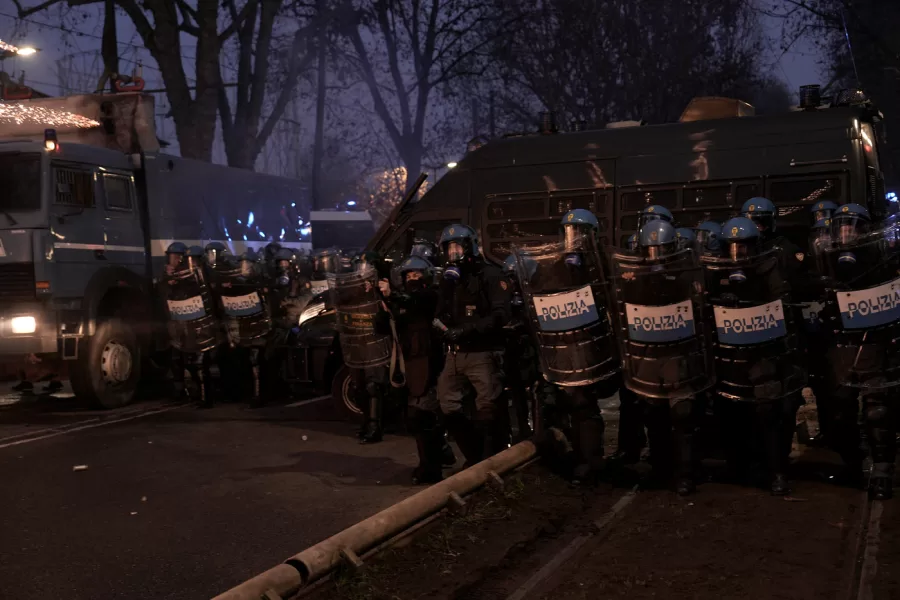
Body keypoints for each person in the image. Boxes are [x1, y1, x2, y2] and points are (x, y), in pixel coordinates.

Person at [705, 216, 806, 495]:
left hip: (763, 353)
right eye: (733, 247)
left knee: (768, 412)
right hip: (728, 356)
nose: (739, 254)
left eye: (745, 247)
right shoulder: (714, 271)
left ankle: (776, 471)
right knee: (730, 412)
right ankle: (738, 466)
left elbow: (782, 302)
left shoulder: (768, 268)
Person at [611, 220, 714, 495]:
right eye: (651, 250)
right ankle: (660, 468)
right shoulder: (632, 278)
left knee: (683, 414)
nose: (656, 256)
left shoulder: (686, 274)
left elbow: (699, 307)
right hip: (647, 356)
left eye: (661, 249)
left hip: (677, 355)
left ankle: (685, 474)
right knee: (653, 414)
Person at [817, 203, 900, 499]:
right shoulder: (826, 259)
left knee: (878, 408)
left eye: (852, 226)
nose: (846, 232)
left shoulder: (881, 257)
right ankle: (853, 465)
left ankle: (882, 471)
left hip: (874, 340)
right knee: (840, 411)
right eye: (841, 226)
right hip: (841, 344)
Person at [435, 224, 511, 465]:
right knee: (447, 405)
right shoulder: (450, 280)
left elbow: (501, 315)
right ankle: (474, 456)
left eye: (457, 247)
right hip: (456, 353)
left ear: (470, 246)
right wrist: (442, 327)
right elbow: (440, 313)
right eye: (449, 248)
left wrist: (468, 329)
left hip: (483, 352)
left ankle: (491, 462)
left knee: (488, 409)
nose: (453, 253)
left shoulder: (490, 275)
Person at [377, 255, 447, 482]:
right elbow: (382, 327)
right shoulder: (403, 301)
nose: (411, 279)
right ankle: (438, 456)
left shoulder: (430, 295)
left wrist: (392, 295)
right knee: (416, 417)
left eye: (416, 274)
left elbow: (416, 301)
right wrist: (384, 305)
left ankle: (431, 469)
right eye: (408, 275)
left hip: (429, 364)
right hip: (409, 366)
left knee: (423, 415)